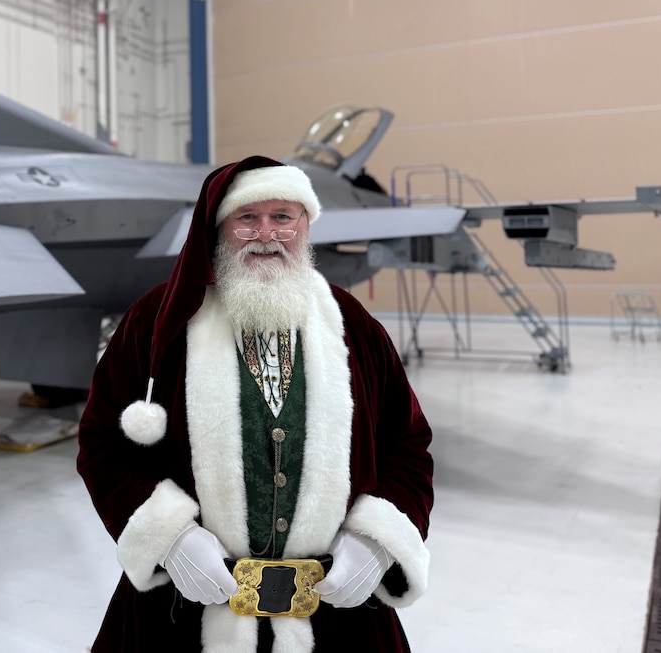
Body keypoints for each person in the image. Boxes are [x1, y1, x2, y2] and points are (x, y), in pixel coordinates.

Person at [77, 155, 433, 652]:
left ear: (305, 226)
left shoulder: (352, 324)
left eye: (283, 217)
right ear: (218, 229)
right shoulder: (157, 322)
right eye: (248, 218)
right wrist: (171, 539)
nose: (266, 233)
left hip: (336, 611)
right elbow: (103, 445)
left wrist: (378, 539)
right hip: (185, 607)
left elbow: (408, 444)